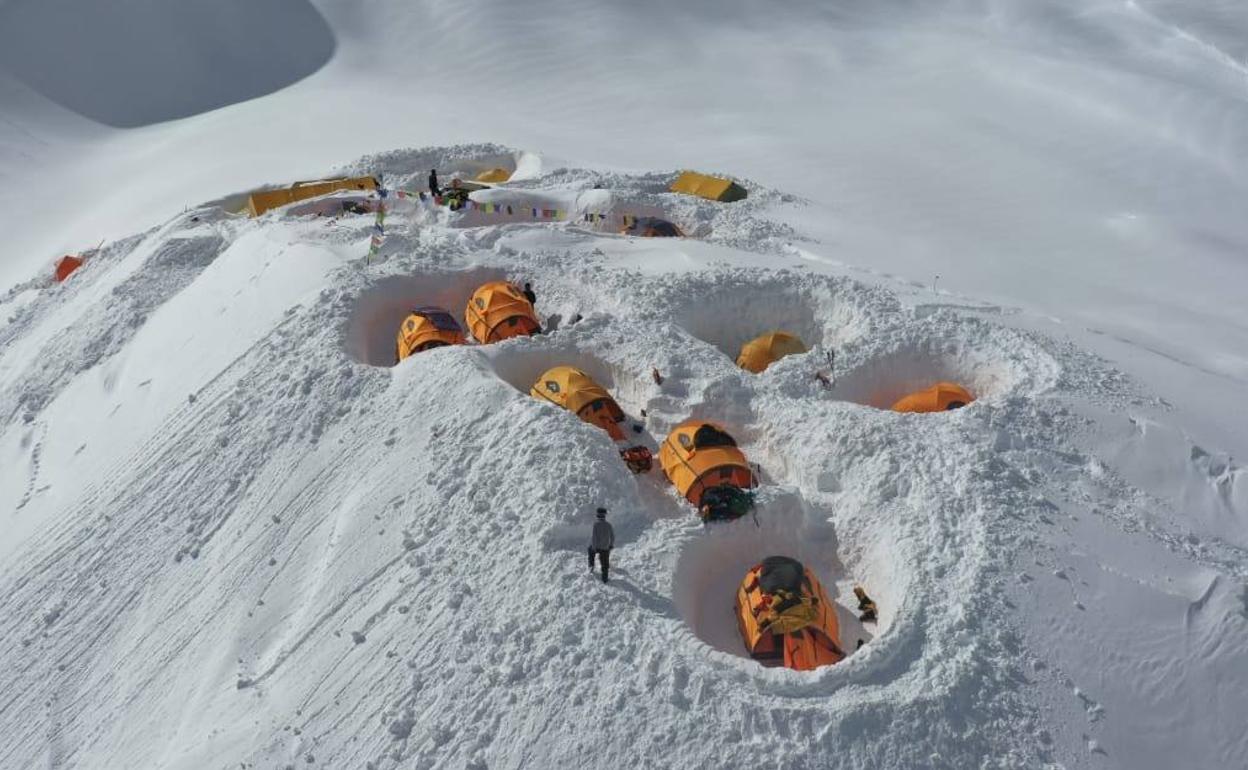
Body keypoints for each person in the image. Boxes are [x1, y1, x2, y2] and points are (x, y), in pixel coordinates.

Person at [587, 508, 614, 583]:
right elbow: (612, 536)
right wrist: (611, 545)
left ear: (597, 515)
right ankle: (605, 578)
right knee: (605, 562)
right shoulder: (609, 525)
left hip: (597, 547)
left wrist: (594, 547)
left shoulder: (596, 525)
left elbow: (594, 537)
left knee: (590, 550)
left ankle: (591, 565)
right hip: (605, 548)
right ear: (605, 516)